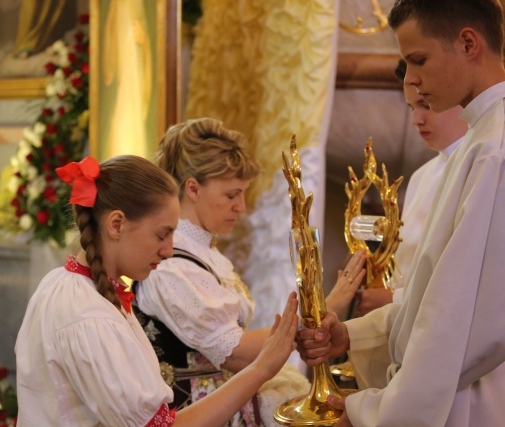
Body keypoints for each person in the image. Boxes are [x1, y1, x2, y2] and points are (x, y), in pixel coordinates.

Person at [296, 0, 505, 425]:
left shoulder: (493, 151)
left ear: (468, 43)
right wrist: (355, 334)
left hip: (469, 401)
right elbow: (437, 297)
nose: (411, 80)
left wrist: (374, 411)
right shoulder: (475, 144)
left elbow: (469, 324)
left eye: (419, 60)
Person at [15, 154, 301, 427]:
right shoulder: (90, 316)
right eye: (161, 234)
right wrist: (261, 369)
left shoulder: (62, 283)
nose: (167, 250)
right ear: (116, 224)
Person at [133, 118, 366, 425]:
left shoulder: (202, 252)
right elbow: (236, 353)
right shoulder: (171, 266)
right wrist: (321, 311)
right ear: (193, 188)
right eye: (232, 195)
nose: (241, 207)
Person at [325, 58, 468, 319]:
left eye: (426, 105)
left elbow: (467, 273)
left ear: (463, 98)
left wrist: (395, 299)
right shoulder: (422, 176)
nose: (416, 119)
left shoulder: (481, 168)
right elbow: (408, 263)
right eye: (411, 107)